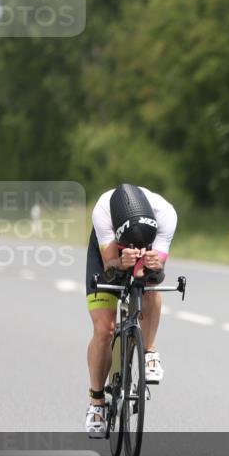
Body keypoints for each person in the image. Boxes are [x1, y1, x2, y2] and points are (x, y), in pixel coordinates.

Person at [84, 184, 177, 436]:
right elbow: (109, 266)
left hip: (145, 254)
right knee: (104, 330)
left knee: (150, 286)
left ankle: (149, 351)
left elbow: (156, 272)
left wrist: (153, 264)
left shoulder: (166, 214)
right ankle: (96, 402)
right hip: (109, 256)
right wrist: (120, 262)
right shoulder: (103, 210)